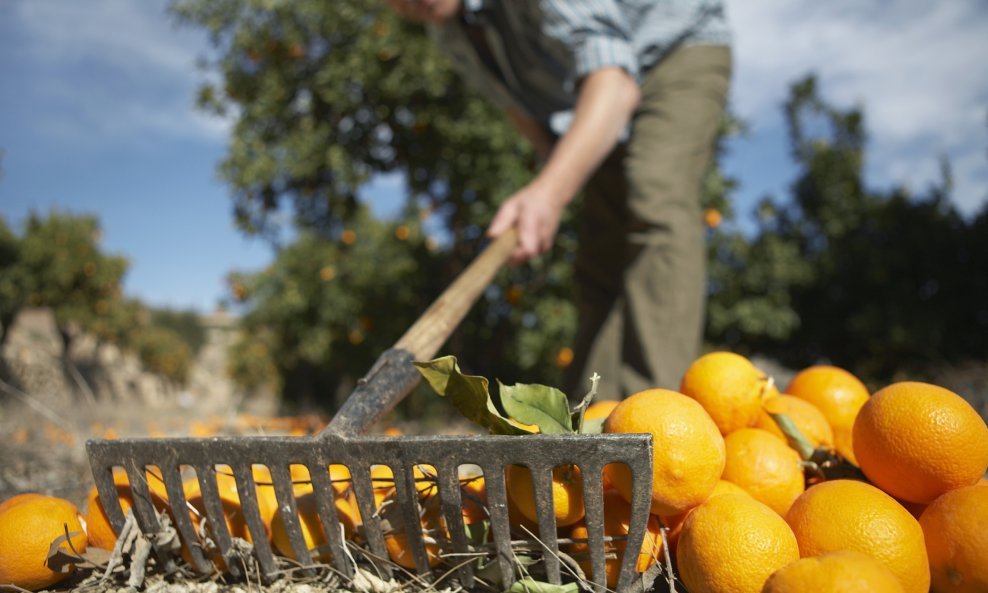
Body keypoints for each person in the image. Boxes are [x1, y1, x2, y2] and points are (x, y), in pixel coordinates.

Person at [388, 0, 732, 399]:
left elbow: (614, 84)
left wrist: (549, 193)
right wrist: (549, 182)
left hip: (673, 52)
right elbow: (518, 107)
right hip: (597, 97)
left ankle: (654, 416)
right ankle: (591, 417)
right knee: (601, 252)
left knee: (654, 200)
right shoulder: (448, 30)